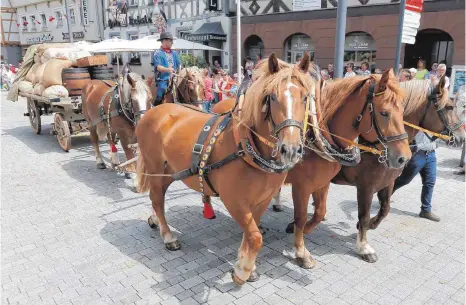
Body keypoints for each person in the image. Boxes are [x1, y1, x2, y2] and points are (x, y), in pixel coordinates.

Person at [392, 132, 440, 222]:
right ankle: (386, 192)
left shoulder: (437, 124)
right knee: (405, 180)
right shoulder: (420, 122)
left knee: (430, 182)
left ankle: (426, 210)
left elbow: (439, 141)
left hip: (431, 155)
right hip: (417, 155)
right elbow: (412, 142)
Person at [152, 32, 181, 105]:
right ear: (163, 41)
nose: (171, 42)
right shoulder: (157, 53)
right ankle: (156, 106)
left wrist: (179, 72)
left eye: (171, 40)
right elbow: (158, 67)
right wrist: (168, 69)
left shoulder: (174, 53)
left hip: (175, 77)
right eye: (169, 40)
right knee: (161, 89)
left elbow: (179, 64)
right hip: (163, 79)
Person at [454, 85, 466, 175]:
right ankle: (464, 167)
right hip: (459, 113)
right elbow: (456, 97)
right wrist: (454, 108)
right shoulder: (462, 87)